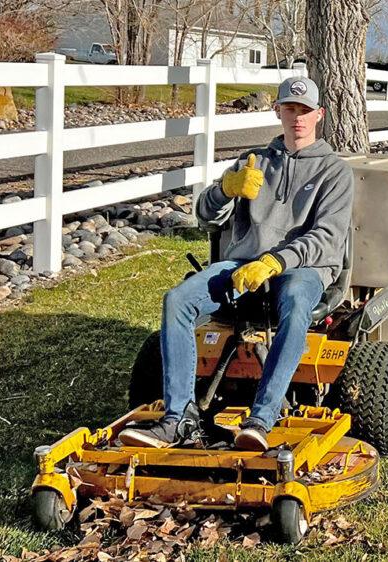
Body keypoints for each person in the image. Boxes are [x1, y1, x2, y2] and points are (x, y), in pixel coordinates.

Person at [119, 76, 354, 451]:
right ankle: (177, 418)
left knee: (295, 304)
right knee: (178, 300)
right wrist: (224, 189)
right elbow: (205, 217)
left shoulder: (335, 172)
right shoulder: (253, 162)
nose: (297, 118)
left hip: (302, 269)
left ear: (319, 115)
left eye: (305, 111)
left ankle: (262, 417)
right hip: (242, 267)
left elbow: (327, 238)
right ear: (277, 111)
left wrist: (276, 262)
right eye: (290, 109)